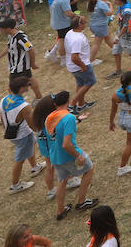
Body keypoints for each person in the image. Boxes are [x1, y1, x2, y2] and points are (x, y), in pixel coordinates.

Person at [43, 90, 98, 220]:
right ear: (68, 102)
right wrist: (78, 156)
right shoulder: (68, 117)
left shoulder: (49, 117)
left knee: (62, 180)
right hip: (67, 155)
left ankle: (60, 210)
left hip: (55, 156)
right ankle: (81, 201)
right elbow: (66, 144)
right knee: (89, 169)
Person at [1, 76, 47, 193]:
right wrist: (40, 132)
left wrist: (5, 128)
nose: (29, 86)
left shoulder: (4, 100)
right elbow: (31, 124)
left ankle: (35, 167)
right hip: (22, 135)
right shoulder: (24, 107)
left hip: (12, 133)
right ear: (22, 88)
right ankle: (15, 185)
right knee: (19, 159)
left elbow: (2, 117)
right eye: (28, 85)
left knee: (31, 144)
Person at [0, 16, 42, 99]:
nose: (0, 32)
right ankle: (39, 98)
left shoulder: (20, 38)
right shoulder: (11, 36)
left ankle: (20, 104)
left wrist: (33, 64)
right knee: (30, 81)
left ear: (8, 29)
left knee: (12, 89)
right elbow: (8, 48)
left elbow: (30, 49)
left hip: (19, 68)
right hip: (16, 67)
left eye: (1, 29)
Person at [63, 16, 95, 117]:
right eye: (84, 23)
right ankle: (72, 104)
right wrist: (83, 66)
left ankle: (81, 104)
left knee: (80, 83)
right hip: (80, 65)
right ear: (79, 25)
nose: (85, 24)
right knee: (90, 81)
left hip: (73, 66)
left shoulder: (70, 33)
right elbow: (74, 57)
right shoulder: (77, 39)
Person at [108, 0, 131, 79]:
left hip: (126, 34)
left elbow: (126, 26)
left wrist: (118, 37)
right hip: (120, 31)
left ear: (121, 1)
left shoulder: (127, 11)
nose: (115, 1)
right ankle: (118, 71)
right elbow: (118, 14)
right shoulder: (122, 6)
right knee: (116, 51)